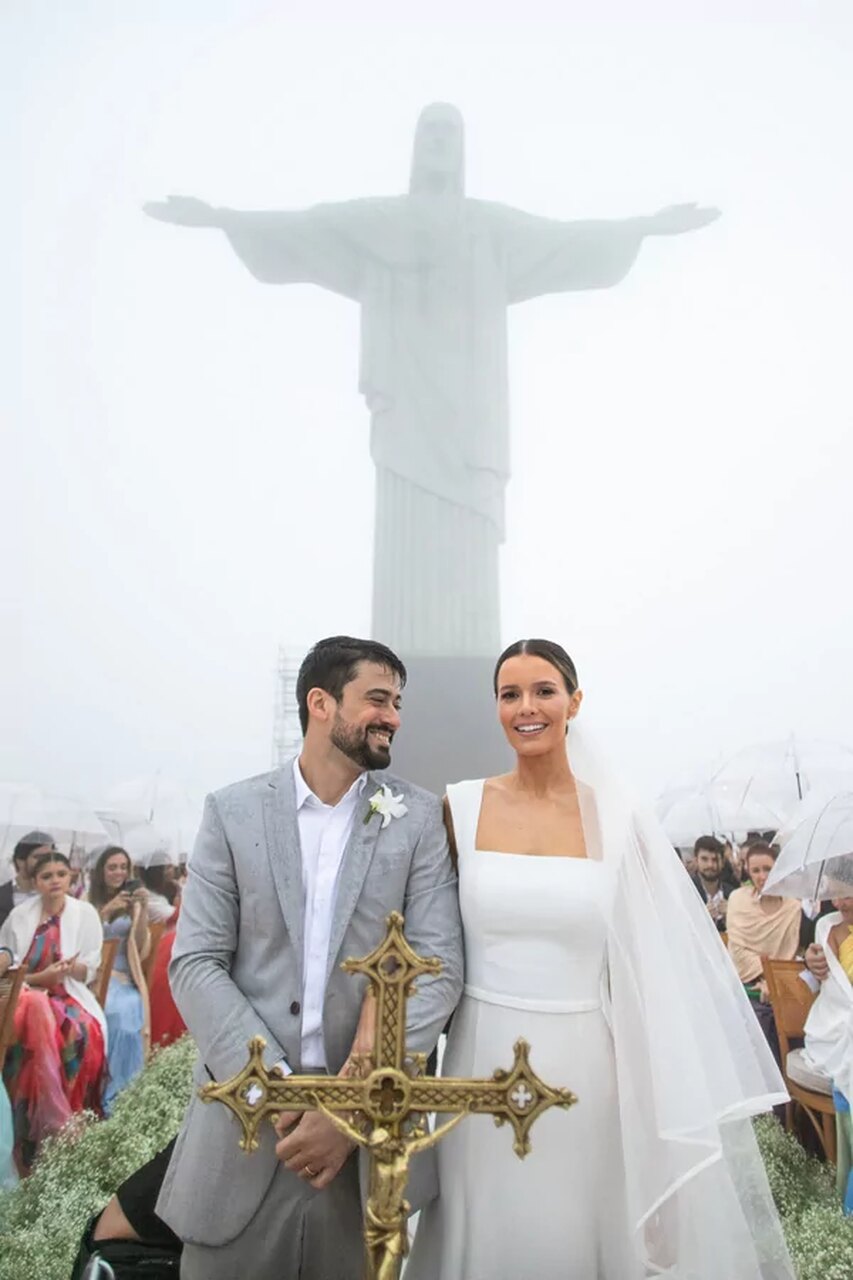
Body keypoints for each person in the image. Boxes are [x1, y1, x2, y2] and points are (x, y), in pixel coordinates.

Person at [407, 639, 793, 1280]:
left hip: (584, 1067)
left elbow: (651, 978)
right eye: (510, 694)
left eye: (543, 691)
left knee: (570, 1231)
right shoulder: (459, 806)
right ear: (496, 708)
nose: (526, 707)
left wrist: (656, 1126)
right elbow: (429, 950)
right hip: (475, 1063)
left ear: (574, 702)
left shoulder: (619, 819)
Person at [155, 636, 463, 1280]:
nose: (394, 717)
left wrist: (346, 1107)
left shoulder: (418, 819)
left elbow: (438, 970)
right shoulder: (231, 812)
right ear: (320, 703)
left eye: (398, 702)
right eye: (377, 699)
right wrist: (285, 1094)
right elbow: (196, 964)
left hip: (365, 1159)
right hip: (243, 1140)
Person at [0, 851, 106, 1171]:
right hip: (26, 995)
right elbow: (12, 974)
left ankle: (69, 1114)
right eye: (47, 876)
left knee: (80, 1031)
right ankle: (32, 1129)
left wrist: (71, 971)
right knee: (33, 1019)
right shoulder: (20, 916)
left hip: (69, 996)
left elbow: (92, 966)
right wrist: (41, 979)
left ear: (70, 877)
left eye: (61, 874)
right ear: (35, 882)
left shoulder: (84, 913)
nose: (55, 881)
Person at [88, 846, 151, 1110]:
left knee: (128, 1012)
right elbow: (84, 939)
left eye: (123, 867)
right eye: (112, 867)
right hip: (98, 976)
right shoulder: (87, 901)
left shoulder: (134, 905)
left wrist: (142, 912)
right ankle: (105, 1089)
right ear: (102, 871)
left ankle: (126, 1093)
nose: (118, 872)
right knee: (112, 1011)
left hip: (125, 978)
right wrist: (104, 912)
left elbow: (139, 948)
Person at [801, 895, 853, 1212]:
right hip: (833, 1032)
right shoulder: (825, 927)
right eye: (837, 893)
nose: (841, 902)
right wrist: (809, 961)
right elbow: (826, 991)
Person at [727, 842, 802, 1059]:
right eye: (756, 871)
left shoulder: (792, 907)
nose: (762, 876)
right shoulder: (738, 900)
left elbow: (790, 954)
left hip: (782, 985)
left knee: (796, 1019)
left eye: (768, 869)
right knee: (758, 1019)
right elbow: (738, 952)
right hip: (748, 985)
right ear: (748, 872)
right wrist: (764, 977)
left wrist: (773, 980)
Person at [0, 830, 54, 928]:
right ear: (20, 861)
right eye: (39, 857)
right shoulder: (3, 895)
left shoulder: (58, 896)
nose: (45, 862)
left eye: (49, 857)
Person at [690, 834, 735, 931]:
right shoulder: (687, 892)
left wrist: (731, 917)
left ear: (722, 862)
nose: (710, 865)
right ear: (696, 860)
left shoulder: (732, 894)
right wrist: (702, 919)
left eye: (715, 860)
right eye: (704, 859)